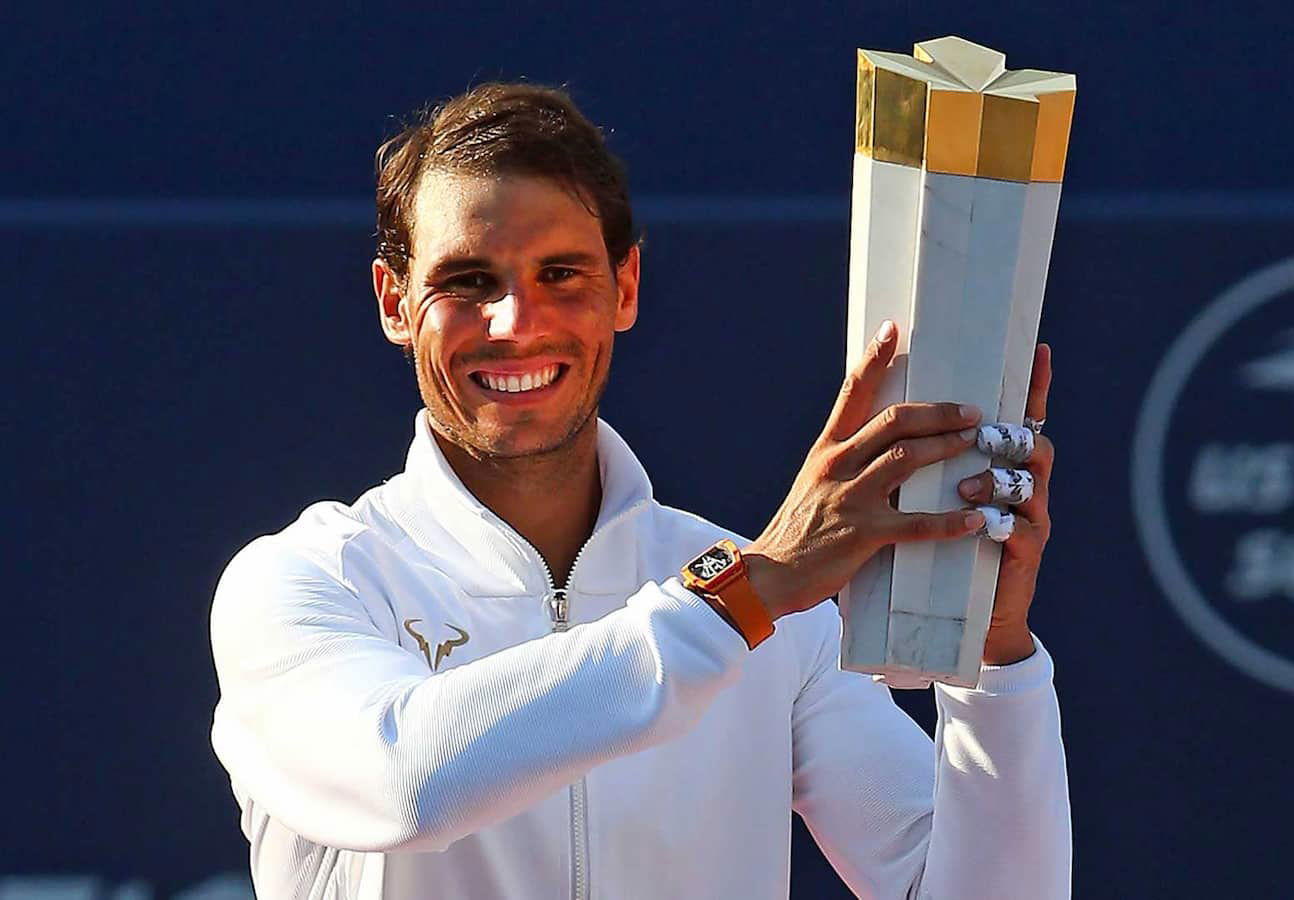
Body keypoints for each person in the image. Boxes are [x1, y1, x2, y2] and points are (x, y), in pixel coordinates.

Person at [209, 81, 1072, 899]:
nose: (516, 322)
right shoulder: (303, 582)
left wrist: (995, 660)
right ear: (395, 301)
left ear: (624, 288)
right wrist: (745, 593)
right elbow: (404, 782)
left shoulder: (775, 614)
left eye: (561, 275)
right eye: (467, 280)